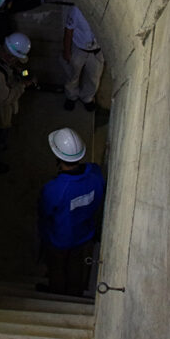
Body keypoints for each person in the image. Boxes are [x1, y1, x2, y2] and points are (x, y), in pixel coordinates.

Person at [38, 127, 105, 296]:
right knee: (76, 263)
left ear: (58, 157)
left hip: (59, 239)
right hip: (83, 234)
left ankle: (57, 292)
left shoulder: (54, 189)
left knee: (57, 267)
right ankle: (75, 292)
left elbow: (45, 214)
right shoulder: (96, 174)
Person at [0, 31, 33, 173]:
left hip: (2, 98)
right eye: (16, 59)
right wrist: (23, 85)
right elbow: (4, 99)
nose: (17, 62)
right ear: (10, 56)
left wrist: (24, 73)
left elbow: (17, 70)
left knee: (0, 133)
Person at [62, 4, 104, 112]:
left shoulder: (103, 9)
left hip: (96, 51)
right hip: (79, 48)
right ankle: (71, 96)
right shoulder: (77, 10)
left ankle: (87, 98)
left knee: (94, 77)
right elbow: (68, 31)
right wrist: (67, 51)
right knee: (73, 75)